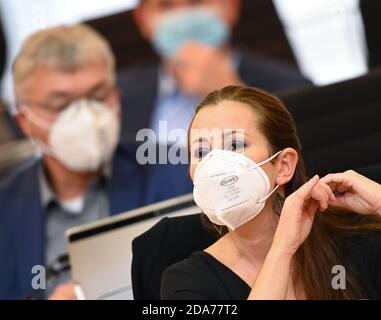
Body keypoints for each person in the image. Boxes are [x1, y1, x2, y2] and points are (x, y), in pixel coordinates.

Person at [0, 24, 192, 300]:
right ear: (24, 121)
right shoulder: (5, 214)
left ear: (117, 97)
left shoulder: (180, 174)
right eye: (61, 104)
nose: (85, 115)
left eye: (98, 96)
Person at [161, 85, 381, 300]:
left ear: (284, 165)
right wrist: (282, 250)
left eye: (235, 145)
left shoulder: (349, 244)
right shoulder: (186, 282)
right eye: (201, 151)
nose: (216, 163)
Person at [119, 0, 311, 144]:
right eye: (166, 6)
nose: (183, 18)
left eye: (197, 2)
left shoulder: (293, 87)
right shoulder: (118, 99)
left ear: (230, 6)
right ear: (143, 20)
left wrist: (232, 92)